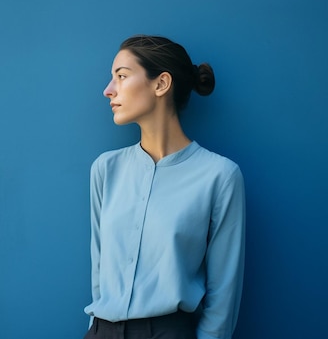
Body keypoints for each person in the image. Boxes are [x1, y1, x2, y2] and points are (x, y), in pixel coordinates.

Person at [83, 35, 246, 339]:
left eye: (121, 76)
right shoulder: (105, 169)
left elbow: (223, 294)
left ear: (161, 84)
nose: (108, 90)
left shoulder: (219, 176)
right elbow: (99, 271)